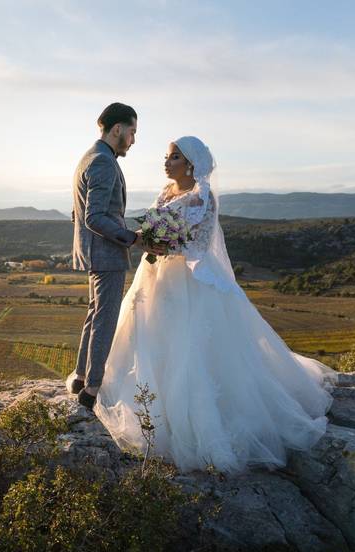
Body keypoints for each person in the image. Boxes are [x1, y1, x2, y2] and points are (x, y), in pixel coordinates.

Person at [91, 136, 334, 473]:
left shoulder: (202, 198)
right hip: (157, 276)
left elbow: (200, 242)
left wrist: (167, 244)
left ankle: (201, 427)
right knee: (149, 337)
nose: (167, 161)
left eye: (174, 156)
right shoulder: (166, 192)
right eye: (167, 155)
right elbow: (158, 227)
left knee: (190, 348)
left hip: (190, 281)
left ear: (191, 164)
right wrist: (151, 240)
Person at [69, 103, 166, 409]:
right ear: (117, 130)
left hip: (94, 252)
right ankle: (93, 389)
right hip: (106, 254)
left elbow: (81, 211)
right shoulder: (103, 162)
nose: (134, 140)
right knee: (105, 320)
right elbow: (93, 217)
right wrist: (133, 238)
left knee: (94, 315)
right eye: (133, 132)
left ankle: (81, 377)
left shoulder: (89, 157)